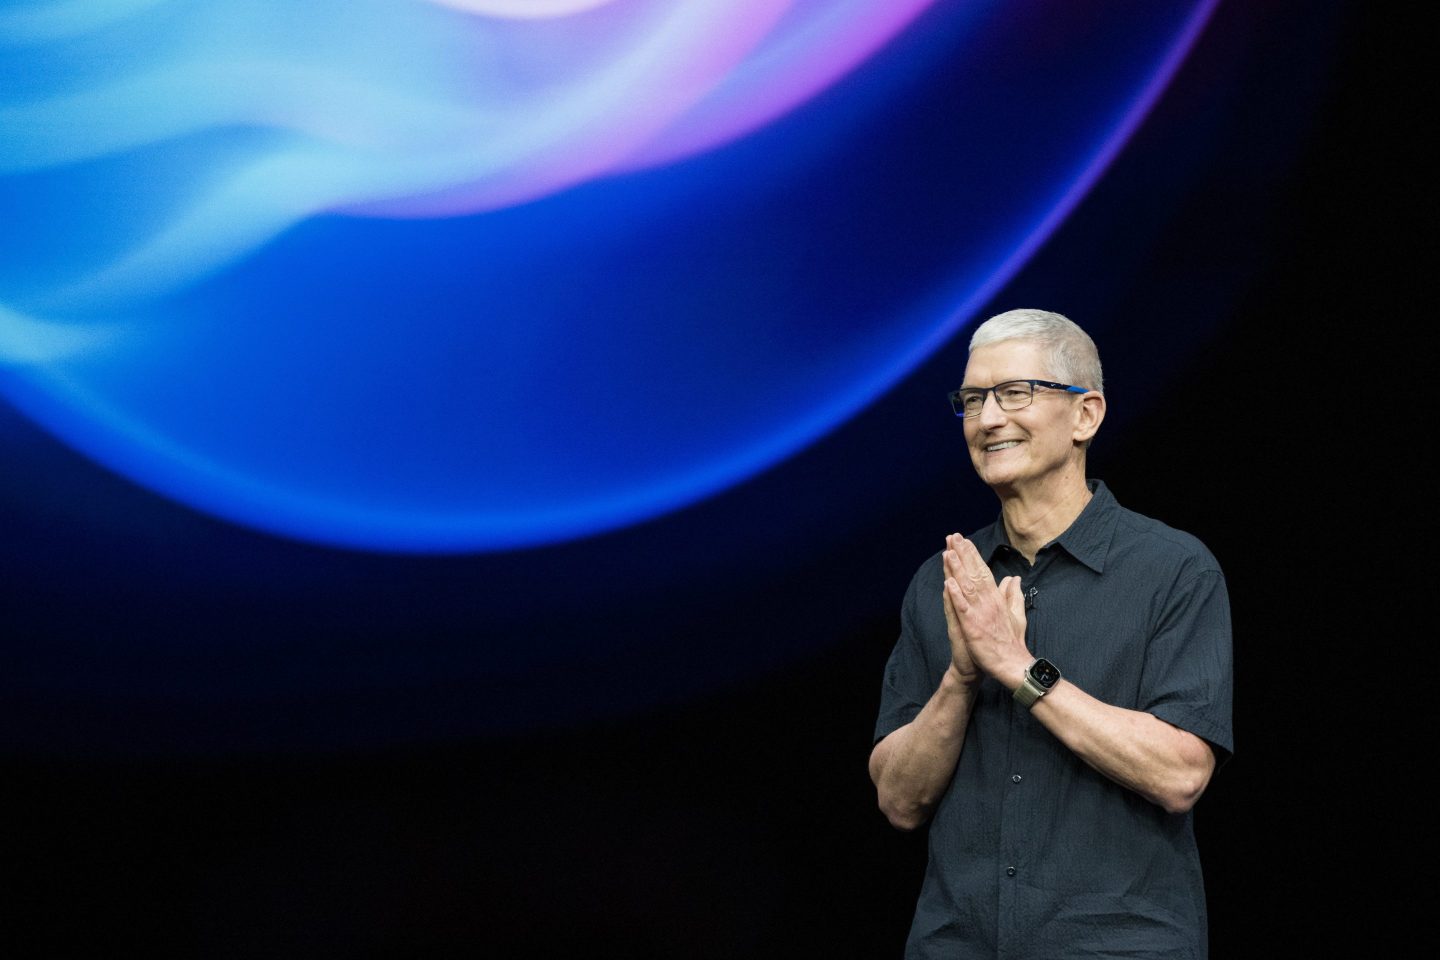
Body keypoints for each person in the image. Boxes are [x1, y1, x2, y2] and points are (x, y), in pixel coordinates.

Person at [869, 308, 1233, 959]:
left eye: (1014, 393)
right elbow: (898, 800)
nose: (986, 420)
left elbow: (1181, 774)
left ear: (1086, 414)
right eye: (973, 399)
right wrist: (961, 677)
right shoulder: (945, 581)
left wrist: (1018, 667)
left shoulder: (1173, 568)